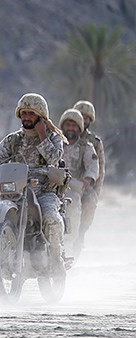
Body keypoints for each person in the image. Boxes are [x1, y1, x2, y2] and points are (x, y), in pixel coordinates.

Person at [0, 93, 69, 270]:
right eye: (24, 113)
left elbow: (54, 159)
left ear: (41, 116)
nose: (27, 117)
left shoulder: (53, 138)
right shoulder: (13, 139)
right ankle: (2, 262)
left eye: (31, 113)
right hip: (15, 190)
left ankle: (56, 260)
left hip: (44, 191)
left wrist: (42, 134)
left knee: (51, 218)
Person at [59, 108, 99, 255]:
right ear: (62, 126)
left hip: (74, 186)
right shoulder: (54, 144)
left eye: (74, 125)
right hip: (53, 184)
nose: (70, 128)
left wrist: (88, 180)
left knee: (74, 204)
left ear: (79, 128)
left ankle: (72, 240)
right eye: (68, 125)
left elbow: (93, 166)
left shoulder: (86, 147)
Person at [73, 100, 105, 245]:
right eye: (81, 115)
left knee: (90, 202)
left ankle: (80, 235)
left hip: (84, 184)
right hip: (63, 182)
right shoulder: (64, 135)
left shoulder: (94, 142)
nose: (84, 120)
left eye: (87, 117)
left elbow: (99, 168)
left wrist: (95, 192)